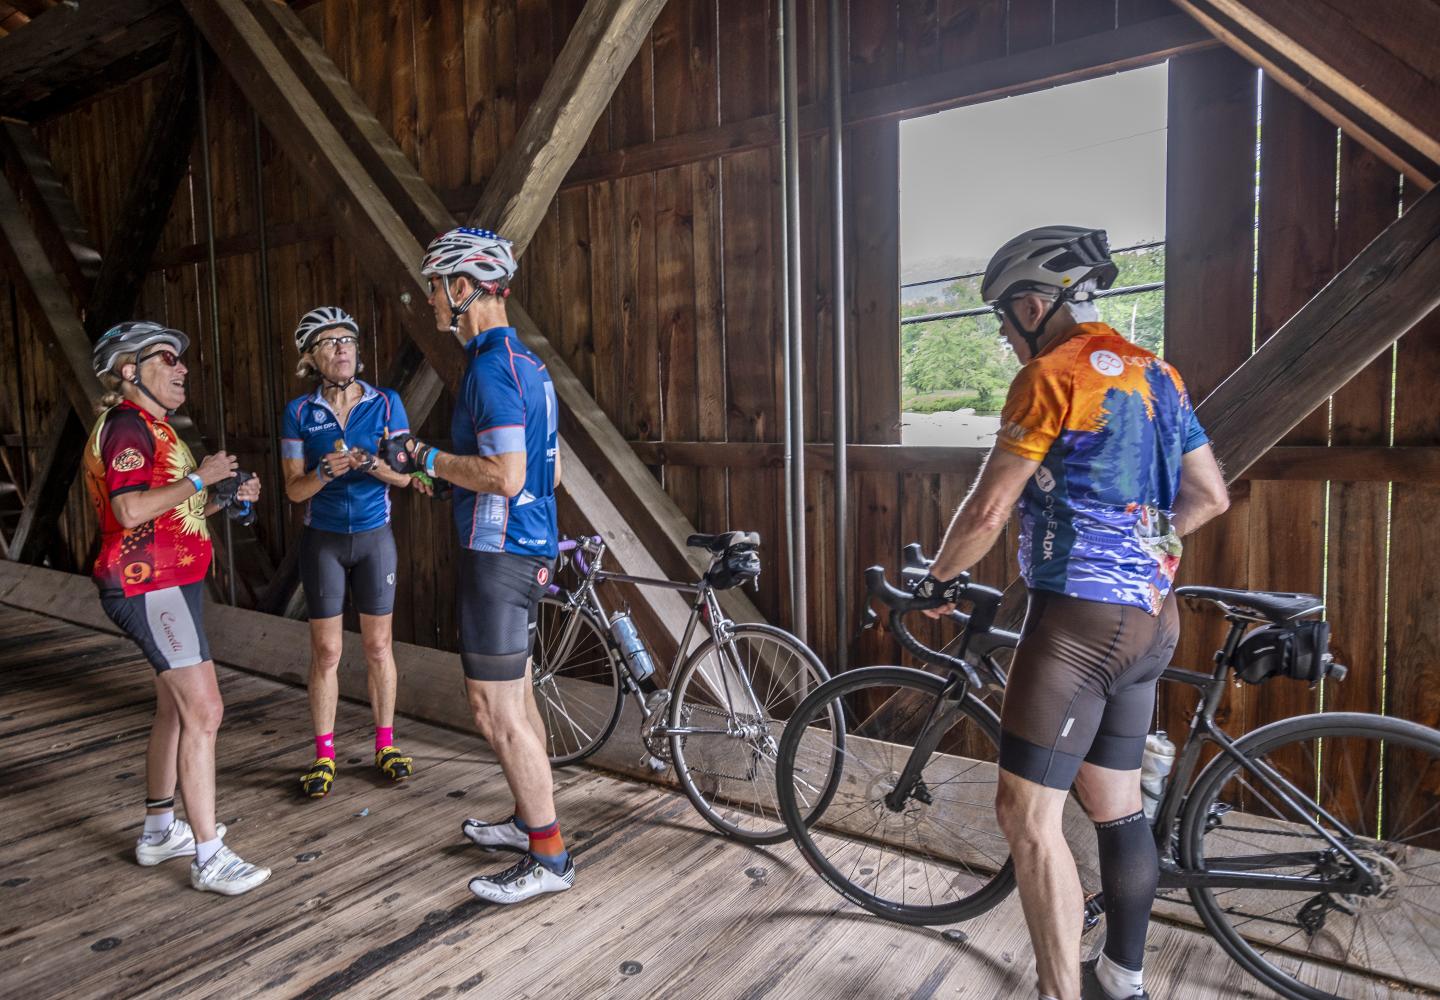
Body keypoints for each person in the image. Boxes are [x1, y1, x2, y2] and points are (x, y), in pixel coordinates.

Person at [911, 228, 1230, 1000]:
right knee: (1116, 809)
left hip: (1079, 628)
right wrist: (1139, 542)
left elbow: (990, 509)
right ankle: (1122, 980)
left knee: (1025, 816)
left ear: (1032, 303)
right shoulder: (1161, 376)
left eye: (1000, 318)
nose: (1002, 334)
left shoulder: (1051, 375)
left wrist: (937, 580)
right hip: (1153, 619)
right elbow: (1209, 496)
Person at [379, 226, 572, 905]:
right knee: (516, 698)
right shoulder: (525, 363)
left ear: (463, 289)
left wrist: (428, 458)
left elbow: (505, 475)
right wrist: (432, 473)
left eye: (435, 287)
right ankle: (530, 823)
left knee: (493, 711)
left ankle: (548, 857)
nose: (431, 300)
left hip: (501, 555)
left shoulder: (490, 367)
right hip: (525, 547)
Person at [85, 320, 271, 896]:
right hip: (148, 586)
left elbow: (173, 515)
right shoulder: (126, 427)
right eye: (166, 357)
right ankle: (209, 855)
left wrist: (219, 497)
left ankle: (160, 830)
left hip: (170, 581)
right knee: (205, 712)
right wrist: (200, 475)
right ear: (128, 371)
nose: (181, 366)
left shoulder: (156, 430)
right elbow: (131, 511)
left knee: (175, 709)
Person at [281, 307, 421, 799]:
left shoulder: (387, 404)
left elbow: (405, 476)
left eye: (349, 341)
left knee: (379, 647)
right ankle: (323, 755)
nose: (342, 349)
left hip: (374, 537)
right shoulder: (299, 413)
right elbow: (295, 491)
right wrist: (324, 472)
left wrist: (373, 464)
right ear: (312, 357)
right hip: (323, 542)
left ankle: (385, 744)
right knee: (327, 652)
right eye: (330, 342)